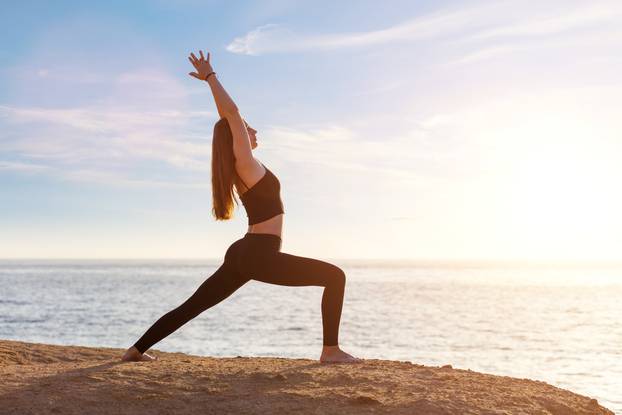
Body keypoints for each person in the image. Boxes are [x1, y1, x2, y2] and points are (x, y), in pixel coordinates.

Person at [121, 50, 361, 364]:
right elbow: (231, 115)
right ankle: (330, 351)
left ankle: (135, 351)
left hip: (245, 252)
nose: (254, 132)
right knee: (335, 276)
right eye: (249, 129)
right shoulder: (245, 164)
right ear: (238, 139)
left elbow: (231, 120)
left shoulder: (243, 169)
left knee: (193, 305)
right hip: (260, 253)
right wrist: (210, 77)